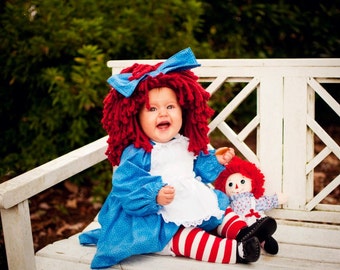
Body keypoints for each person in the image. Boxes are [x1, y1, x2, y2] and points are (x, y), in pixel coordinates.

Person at [79, 48, 275, 269]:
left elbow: (197, 168)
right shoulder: (137, 152)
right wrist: (154, 195)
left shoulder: (184, 142)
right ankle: (238, 251)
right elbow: (126, 186)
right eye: (152, 109)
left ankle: (244, 232)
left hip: (191, 202)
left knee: (221, 212)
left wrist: (215, 161)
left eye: (170, 106)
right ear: (136, 118)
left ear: (183, 111)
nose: (163, 113)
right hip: (157, 221)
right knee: (187, 239)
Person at [214, 153, 288, 254]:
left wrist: (276, 199)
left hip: (256, 223)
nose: (236, 186)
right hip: (238, 226)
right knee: (235, 228)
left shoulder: (253, 200)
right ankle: (251, 241)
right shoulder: (228, 204)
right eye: (230, 184)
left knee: (261, 233)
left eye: (242, 182)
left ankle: (263, 240)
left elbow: (265, 202)